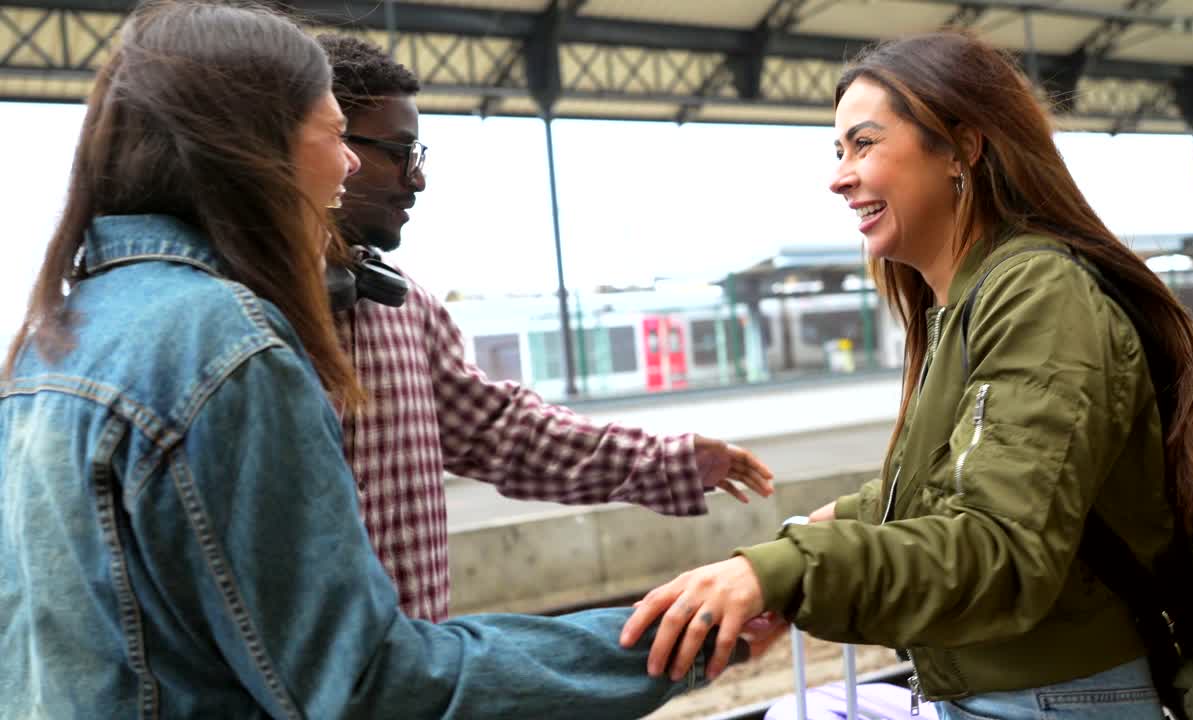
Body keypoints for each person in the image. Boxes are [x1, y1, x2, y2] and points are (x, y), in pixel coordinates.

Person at [0, 3, 762, 717]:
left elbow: (501, 429)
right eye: (346, 139)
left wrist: (668, 462)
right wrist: (676, 642)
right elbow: (365, 682)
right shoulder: (230, 344)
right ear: (253, 145)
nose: (370, 172)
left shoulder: (59, 335)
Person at [621, 31, 1193, 719]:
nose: (839, 178)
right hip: (1004, 693)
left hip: (1053, 701)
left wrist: (784, 570)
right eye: (839, 152)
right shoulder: (963, 305)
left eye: (864, 144)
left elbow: (998, 548)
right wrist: (839, 523)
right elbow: (960, 480)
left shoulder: (1040, 296)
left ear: (963, 147)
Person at [316, 34, 775, 622]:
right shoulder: (235, 315)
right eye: (400, 153)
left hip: (411, 664)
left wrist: (671, 461)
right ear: (325, 146)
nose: (418, 180)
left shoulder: (408, 310)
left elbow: (508, 434)